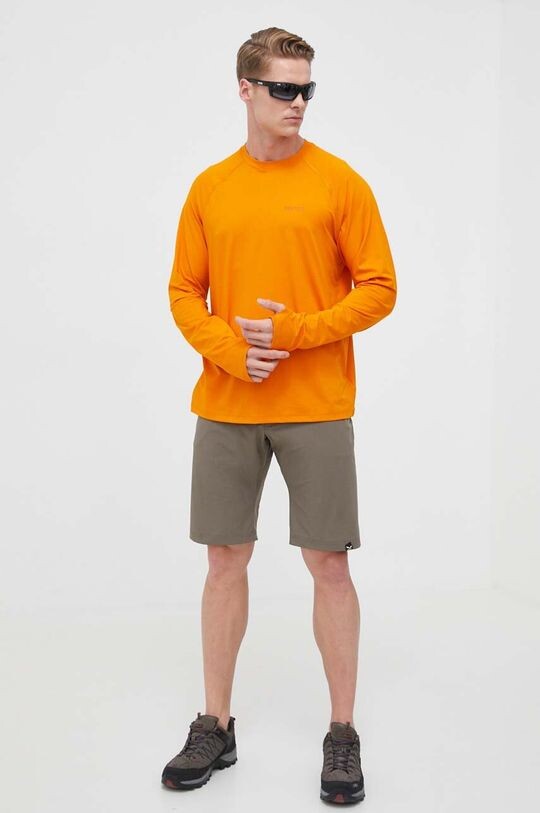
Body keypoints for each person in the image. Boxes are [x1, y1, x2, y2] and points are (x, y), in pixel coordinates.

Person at [161, 26, 397, 806]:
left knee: (330, 565)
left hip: (317, 405)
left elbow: (380, 287)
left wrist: (296, 331)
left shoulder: (339, 183)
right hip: (228, 404)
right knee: (223, 561)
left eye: (307, 89)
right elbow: (183, 292)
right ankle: (215, 723)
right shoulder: (211, 188)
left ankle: (342, 731)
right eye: (284, 88)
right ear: (246, 89)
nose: (298, 102)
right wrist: (232, 351)